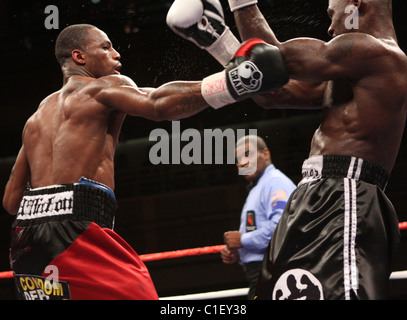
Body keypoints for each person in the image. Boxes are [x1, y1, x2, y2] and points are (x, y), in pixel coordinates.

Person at [2, 24, 289, 300]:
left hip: (25, 241)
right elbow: (157, 105)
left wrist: (51, 198)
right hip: (76, 232)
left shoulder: (35, 119)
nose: (117, 54)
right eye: (105, 47)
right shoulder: (101, 89)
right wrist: (232, 82)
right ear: (79, 57)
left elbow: (11, 201)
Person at [167, 0, 407, 299]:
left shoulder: (378, 52)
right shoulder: (357, 70)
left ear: (356, 4)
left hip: (346, 195)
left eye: (333, 14)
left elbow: (272, 60)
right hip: (316, 196)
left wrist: (239, 4)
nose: (330, 27)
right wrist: (216, 39)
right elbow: (273, 89)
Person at [221, 135, 296, 300]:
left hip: (273, 272)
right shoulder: (258, 187)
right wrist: (239, 252)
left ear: (266, 154)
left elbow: (281, 228)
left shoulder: (275, 182)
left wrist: (243, 240)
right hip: (262, 273)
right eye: (238, 159)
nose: (243, 163)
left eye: (248, 155)